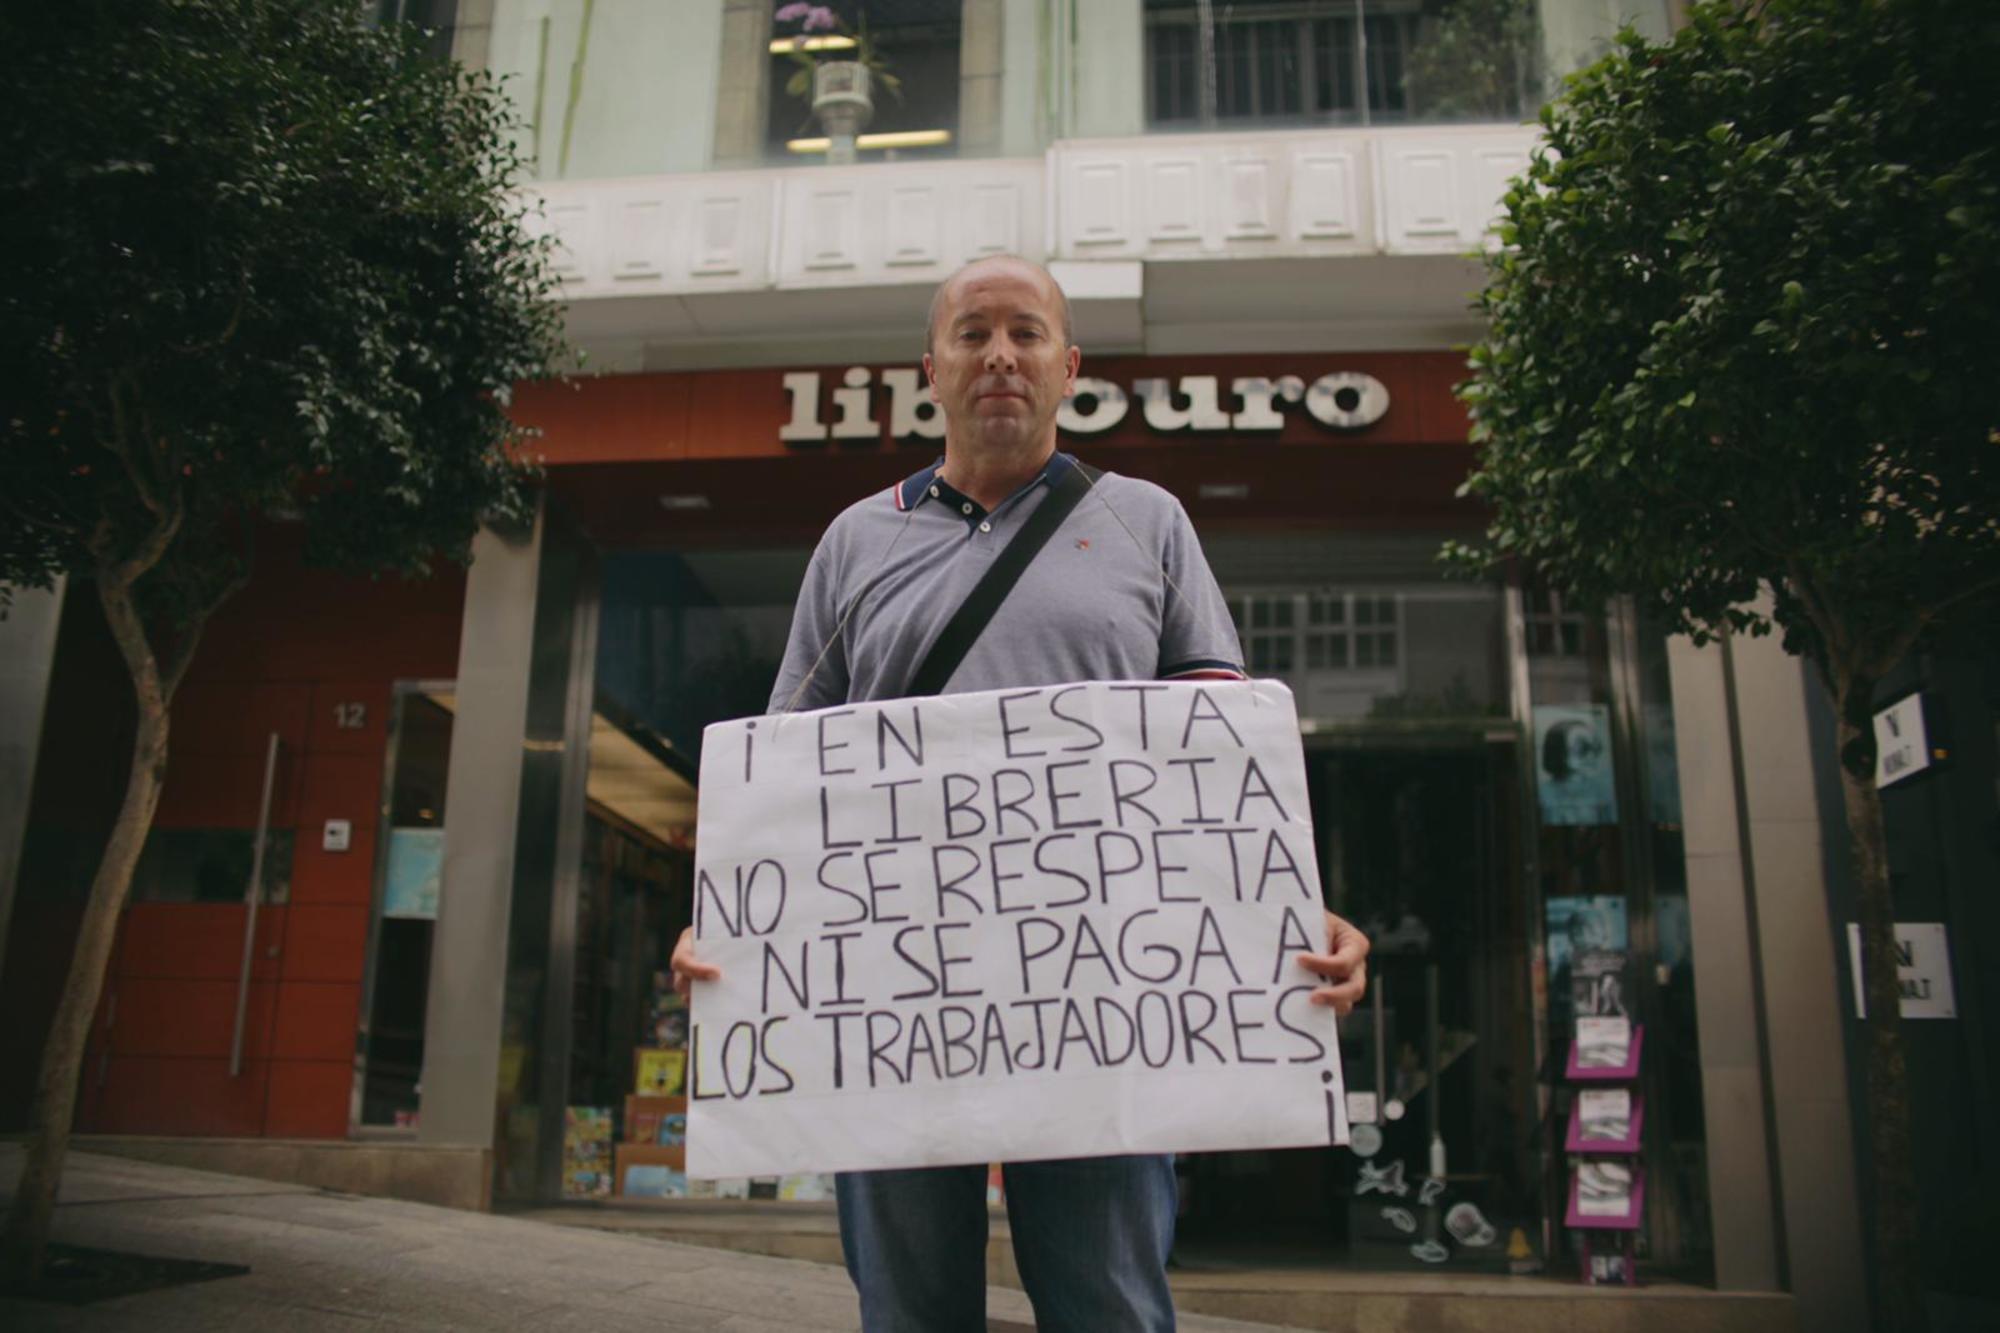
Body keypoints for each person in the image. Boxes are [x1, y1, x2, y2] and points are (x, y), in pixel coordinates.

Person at [672, 254, 1370, 1332]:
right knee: (909, 1309)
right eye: (973, 333)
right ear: (932, 369)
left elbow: (1219, 764)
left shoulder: (1147, 523)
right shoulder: (854, 542)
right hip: (893, 1000)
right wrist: (734, 931)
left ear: (1067, 366)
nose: (1000, 354)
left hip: (1102, 997)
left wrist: (1283, 910)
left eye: (1026, 332)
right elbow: (785, 777)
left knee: (1108, 1304)